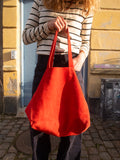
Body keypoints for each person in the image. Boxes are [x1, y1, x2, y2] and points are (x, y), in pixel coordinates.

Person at [23, 0, 99, 159]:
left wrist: (81, 58)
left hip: (72, 65)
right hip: (45, 65)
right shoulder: (40, 1)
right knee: (40, 118)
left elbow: (85, 41)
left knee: (73, 119)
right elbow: (26, 37)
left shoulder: (87, 4)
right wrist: (48, 26)